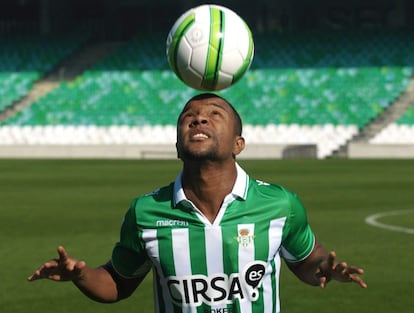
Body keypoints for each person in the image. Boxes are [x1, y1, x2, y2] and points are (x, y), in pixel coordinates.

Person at [28, 93, 367, 313]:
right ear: (177, 145)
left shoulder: (279, 204)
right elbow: (119, 282)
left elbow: (307, 258)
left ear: (239, 143)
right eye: (188, 116)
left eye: (214, 114)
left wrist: (325, 268)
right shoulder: (146, 212)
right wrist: (82, 275)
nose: (199, 119)